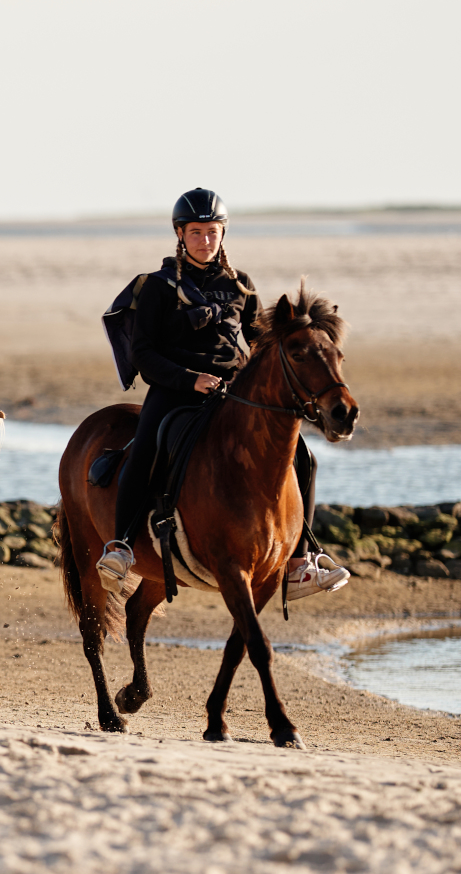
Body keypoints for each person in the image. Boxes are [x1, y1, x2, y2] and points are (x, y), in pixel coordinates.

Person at [94, 188, 347, 602]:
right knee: (146, 447)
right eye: (196, 233)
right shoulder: (156, 287)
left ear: (222, 234)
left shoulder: (241, 285)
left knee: (303, 455)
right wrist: (188, 378)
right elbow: (143, 354)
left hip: (234, 394)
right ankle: (121, 545)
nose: (205, 241)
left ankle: (301, 562)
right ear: (180, 234)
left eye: (212, 232)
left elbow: (262, 344)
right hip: (176, 391)